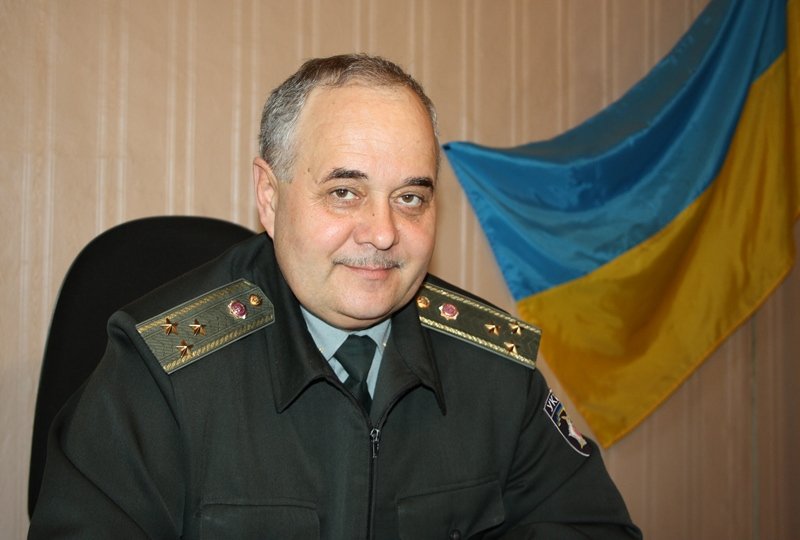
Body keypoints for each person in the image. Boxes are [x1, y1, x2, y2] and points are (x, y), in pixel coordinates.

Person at [29, 54, 641, 539]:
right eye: (345, 192)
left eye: (411, 198)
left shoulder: (493, 367)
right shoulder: (161, 371)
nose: (383, 233)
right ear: (270, 196)